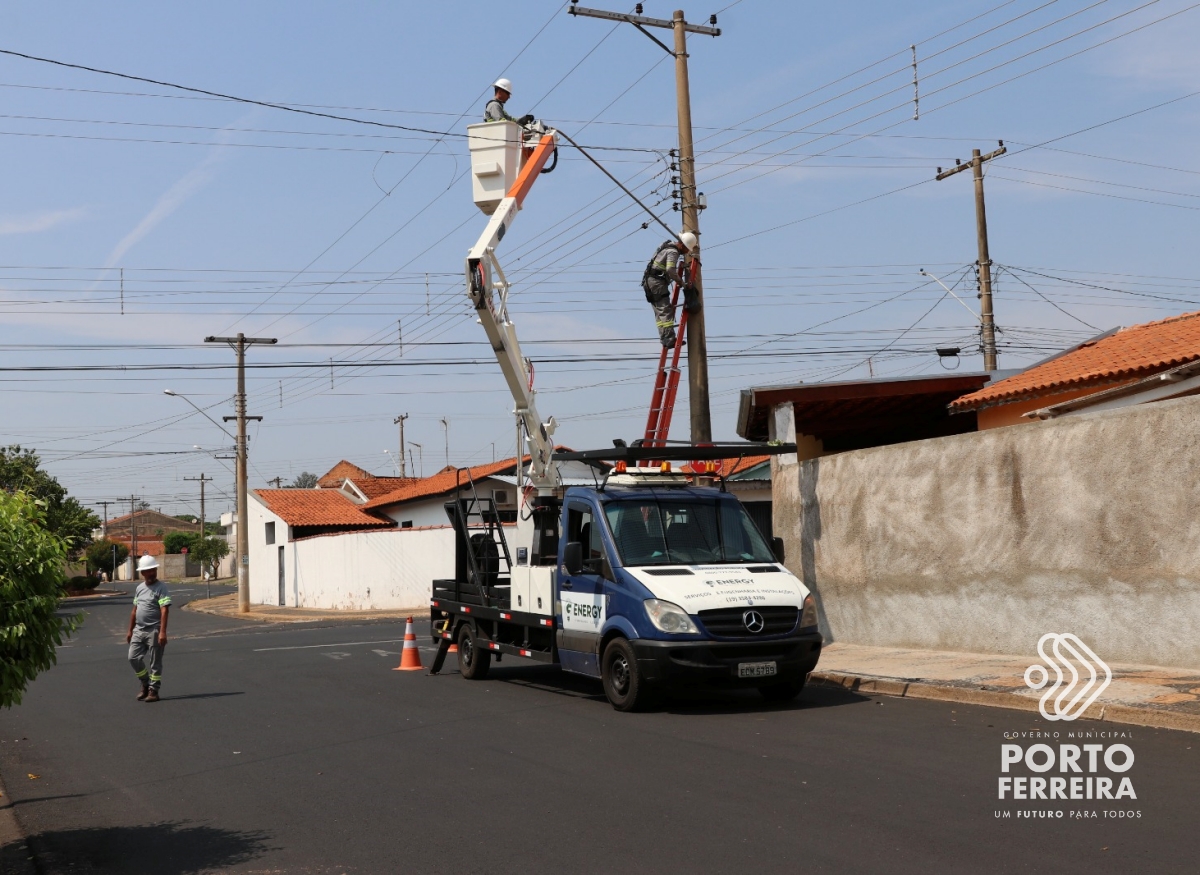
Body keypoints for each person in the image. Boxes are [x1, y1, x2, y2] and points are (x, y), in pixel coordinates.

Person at [126, 554, 171, 703]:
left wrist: (162, 632)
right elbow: (134, 610)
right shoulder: (139, 588)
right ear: (142, 573)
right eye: (148, 571)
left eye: (153, 570)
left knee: (155, 662)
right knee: (133, 657)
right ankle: (145, 683)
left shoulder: (161, 587)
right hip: (139, 630)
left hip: (154, 630)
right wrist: (130, 630)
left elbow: (164, 610)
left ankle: (154, 690)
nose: (151, 573)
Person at [641, 232, 698, 349]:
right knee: (665, 311)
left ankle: (664, 338)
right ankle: (670, 339)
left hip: (649, 282)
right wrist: (682, 283)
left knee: (659, 312)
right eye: (687, 249)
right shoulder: (673, 252)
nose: (687, 252)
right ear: (682, 245)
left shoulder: (666, 245)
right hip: (657, 283)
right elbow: (671, 270)